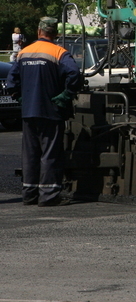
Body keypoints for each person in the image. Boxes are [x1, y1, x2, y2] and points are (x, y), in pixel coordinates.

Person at [6, 17, 82, 207]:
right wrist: (66, 95)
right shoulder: (59, 53)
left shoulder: (24, 53)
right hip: (51, 111)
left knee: (30, 154)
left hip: (28, 112)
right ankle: (48, 196)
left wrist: (20, 97)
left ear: (39, 31)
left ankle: (29, 194)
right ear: (55, 33)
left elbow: (11, 82)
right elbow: (74, 74)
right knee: (50, 153)